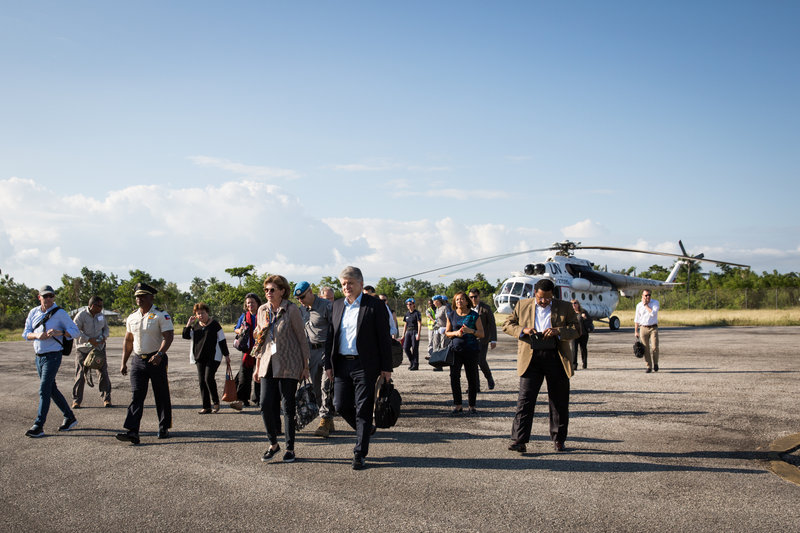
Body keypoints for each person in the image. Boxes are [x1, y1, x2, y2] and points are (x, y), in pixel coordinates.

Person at [324, 266, 392, 470]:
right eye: (343, 283)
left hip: (365, 365)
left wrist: (386, 368)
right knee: (340, 404)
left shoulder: (375, 305)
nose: (346, 287)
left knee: (363, 408)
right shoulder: (336, 306)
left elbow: (384, 339)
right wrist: (328, 363)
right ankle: (365, 430)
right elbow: (330, 337)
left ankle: (359, 452)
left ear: (361, 284)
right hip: (342, 364)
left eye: (350, 283)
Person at [504, 278, 579, 453]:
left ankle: (559, 439)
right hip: (531, 357)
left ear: (552, 295)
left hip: (556, 356)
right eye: (540, 298)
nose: (543, 301)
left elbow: (576, 329)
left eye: (547, 298)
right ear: (534, 293)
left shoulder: (565, 307)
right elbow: (507, 324)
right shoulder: (522, 305)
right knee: (525, 401)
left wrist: (558, 331)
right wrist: (524, 330)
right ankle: (519, 440)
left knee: (558, 401)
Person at [253, 275, 310, 464]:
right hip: (268, 362)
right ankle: (273, 444)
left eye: (272, 290)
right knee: (264, 404)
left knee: (288, 406)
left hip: (289, 363)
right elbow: (260, 339)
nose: (268, 293)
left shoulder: (291, 309)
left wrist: (305, 365)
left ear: (282, 291)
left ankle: (290, 448)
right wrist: (257, 366)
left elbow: (302, 338)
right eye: (266, 290)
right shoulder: (262, 310)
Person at [116, 282, 174, 445]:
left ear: (151, 297)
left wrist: (160, 354)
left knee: (161, 394)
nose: (138, 299)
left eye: (142, 296)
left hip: (156, 360)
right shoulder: (132, 317)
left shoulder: (160, 315)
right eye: (137, 296)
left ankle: (164, 426)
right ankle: (132, 431)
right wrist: (124, 362)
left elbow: (168, 336)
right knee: (136, 395)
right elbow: (128, 340)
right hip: (137, 361)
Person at [22, 284, 81, 438]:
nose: (48, 298)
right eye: (45, 296)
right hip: (39, 356)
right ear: (39, 297)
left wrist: (60, 332)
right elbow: (25, 333)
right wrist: (37, 335)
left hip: (53, 355)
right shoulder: (33, 312)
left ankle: (39, 425)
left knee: (44, 389)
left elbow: (76, 331)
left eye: (51, 296)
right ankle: (69, 417)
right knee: (51, 389)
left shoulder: (60, 313)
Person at [295, 281, 336, 438]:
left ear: (311, 292)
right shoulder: (301, 310)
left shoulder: (326, 306)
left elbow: (336, 329)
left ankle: (324, 420)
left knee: (327, 385)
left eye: (303, 296)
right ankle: (327, 417)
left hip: (327, 349)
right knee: (317, 388)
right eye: (298, 298)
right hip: (311, 352)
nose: (301, 300)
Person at [183, 302, 231, 414]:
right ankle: (206, 406)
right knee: (202, 382)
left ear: (207, 313)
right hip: (199, 357)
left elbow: (222, 340)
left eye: (203, 313)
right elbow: (185, 336)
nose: (200, 315)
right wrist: (188, 324)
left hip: (213, 357)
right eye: (198, 313)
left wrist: (226, 355)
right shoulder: (195, 327)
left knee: (208, 378)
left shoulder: (215, 325)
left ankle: (216, 402)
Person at [445, 291, 484, 414]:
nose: (459, 301)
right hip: (456, 351)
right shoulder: (451, 315)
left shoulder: (474, 315)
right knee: (454, 377)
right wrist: (456, 333)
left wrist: (470, 331)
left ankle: (472, 405)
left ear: (467, 301)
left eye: (462, 299)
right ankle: (458, 405)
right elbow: (447, 332)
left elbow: (481, 333)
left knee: (471, 378)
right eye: (457, 300)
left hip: (471, 351)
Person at [72, 295, 112, 409]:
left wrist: (104, 336)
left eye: (101, 306)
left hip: (99, 348)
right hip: (83, 349)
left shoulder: (101, 315)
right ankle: (76, 401)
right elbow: (75, 330)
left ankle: (106, 399)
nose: (101, 308)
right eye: (99, 306)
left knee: (103, 373)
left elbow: (106, 328)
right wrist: (88, 339)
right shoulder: (81, 315)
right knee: (80, 374)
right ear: (92, 306)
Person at [231, 293, 261, 410]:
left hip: (260, 349)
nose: (250, 305)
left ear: (258, 303)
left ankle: (258, 398)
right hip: (247, 350)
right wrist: (241, 330)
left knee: (260, 374)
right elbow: (236, 329)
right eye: (248, 303)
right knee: (244, 374)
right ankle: (243, 399)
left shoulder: (263, 314)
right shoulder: (244, 316)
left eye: (252, 302)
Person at [468, 288, 497, 390]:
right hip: (471, 339)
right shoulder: (467, 309)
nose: (473, 299)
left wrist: (493, 340)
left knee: (481, 360)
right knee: (472, 363)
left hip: (483, 339)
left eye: (475, 296)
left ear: (479, 297)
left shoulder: (486, 308)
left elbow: (492, 325)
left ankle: (489, 377)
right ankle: (476, 386)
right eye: (471, 297)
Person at [634, 290, 660, 373]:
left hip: (653, 328)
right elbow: (637, 319)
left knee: (655, 346)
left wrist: (646, 305)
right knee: (645, 348)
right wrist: (636, 331)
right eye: (646, 295)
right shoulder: (639, 305)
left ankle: (655, 363)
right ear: (642, 296)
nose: (647, 297)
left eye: (649, 295)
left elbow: (653, 313)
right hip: (643, 328)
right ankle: (649, 366)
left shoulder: (655, 303)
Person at [570, 300, 592, 370]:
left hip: (583, 334)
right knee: (574, 350)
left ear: (578, 304)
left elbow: (590, 321)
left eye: (575, 303)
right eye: (572, 303)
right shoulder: (570, 313)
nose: (574, 305)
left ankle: (584, 363)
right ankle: (574, 365)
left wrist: (585, 318)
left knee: (583, 349)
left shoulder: (583, 312)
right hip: (574, 334)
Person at [401, 298, 422, 370]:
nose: (408, 305)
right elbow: (405, 324)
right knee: (406, 347)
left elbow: (419, 324)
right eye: (407, 304)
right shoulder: (407, 314)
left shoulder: (417, 313)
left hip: (415, 331)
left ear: (413, 305)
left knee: (414, 348)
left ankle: (415, 365)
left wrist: (418, 334)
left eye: (410, 304)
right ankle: (412, 361)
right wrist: (403, 334)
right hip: (408, 332)